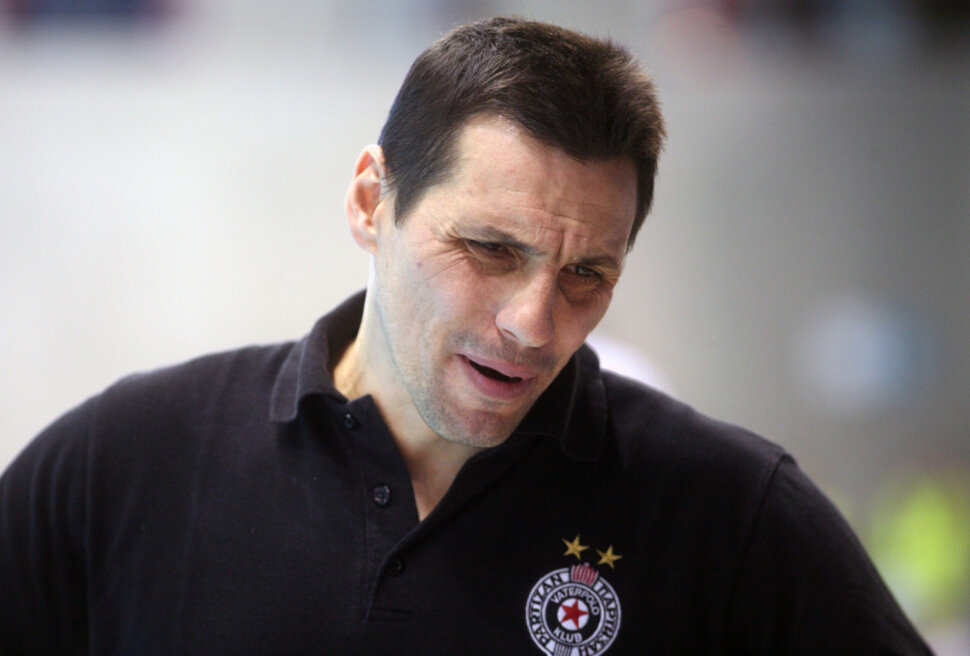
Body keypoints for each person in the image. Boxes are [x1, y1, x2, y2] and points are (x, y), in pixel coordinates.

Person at [0, 16, 933, 656]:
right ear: (371, 200)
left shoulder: (728, 514)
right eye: (489, 249)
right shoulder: (127, 464)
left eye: (586, 274)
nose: (533, 324)